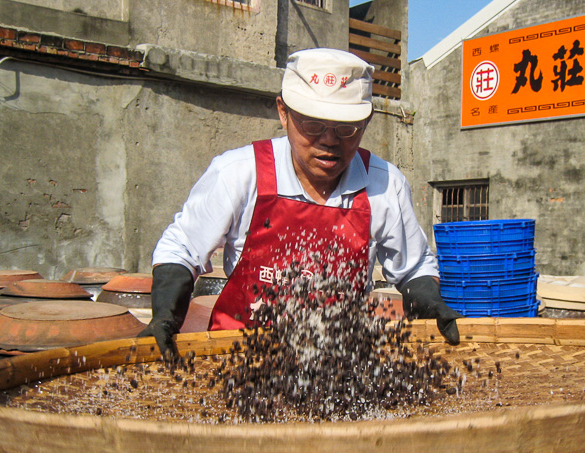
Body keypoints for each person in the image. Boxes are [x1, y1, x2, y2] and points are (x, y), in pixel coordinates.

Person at [141, 48, 461, 358]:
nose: (329, 141)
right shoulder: (238, 173)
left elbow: (415, 266)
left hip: (335, 363)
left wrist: (427, 301)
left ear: (366, 122)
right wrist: (165, 315)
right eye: (313, 125)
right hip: (238, 355)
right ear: (284, 112)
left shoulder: (384, 185)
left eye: (346, 128)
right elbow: (181, 246)